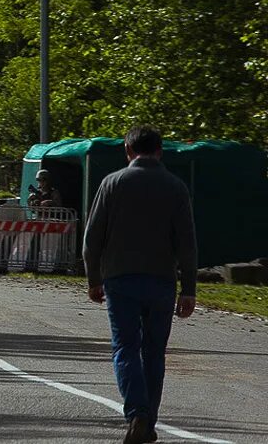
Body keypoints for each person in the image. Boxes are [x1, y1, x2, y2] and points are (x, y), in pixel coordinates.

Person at [83, 126, 197, 444]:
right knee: (154, 352)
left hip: (120, 281)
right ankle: (148, 422)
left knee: (125, 348)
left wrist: (94, 279)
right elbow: (187, 243)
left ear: (127, 150)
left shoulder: (111, 183)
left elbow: (92, 240)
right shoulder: (176, 187)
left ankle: (137, 414)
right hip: (161, 281)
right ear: (160, 152)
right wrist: (189, 288)